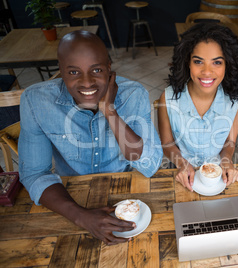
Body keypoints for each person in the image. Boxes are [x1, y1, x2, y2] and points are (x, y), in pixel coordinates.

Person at [18, 30, 162, 245]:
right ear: (61, 72)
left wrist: (109, 111)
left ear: (109, 68)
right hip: (68, 198)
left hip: (126, 196)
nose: (87, 82)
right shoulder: (36, 101)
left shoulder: (133, 94)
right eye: (74, 72)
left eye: (96, 69)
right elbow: (34, 174)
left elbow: (150, 165)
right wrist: (81, 216)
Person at [158, 23, 238, 191]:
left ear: (228, 65)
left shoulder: (237, 103)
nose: (207, 72)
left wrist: (227, 161)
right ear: (187, 62)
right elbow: (167, 143)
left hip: (217, 177)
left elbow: (229, 142)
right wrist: (182, 164)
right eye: (198, 61)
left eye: (217, 63)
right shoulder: (167, 98)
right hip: (179, 174)